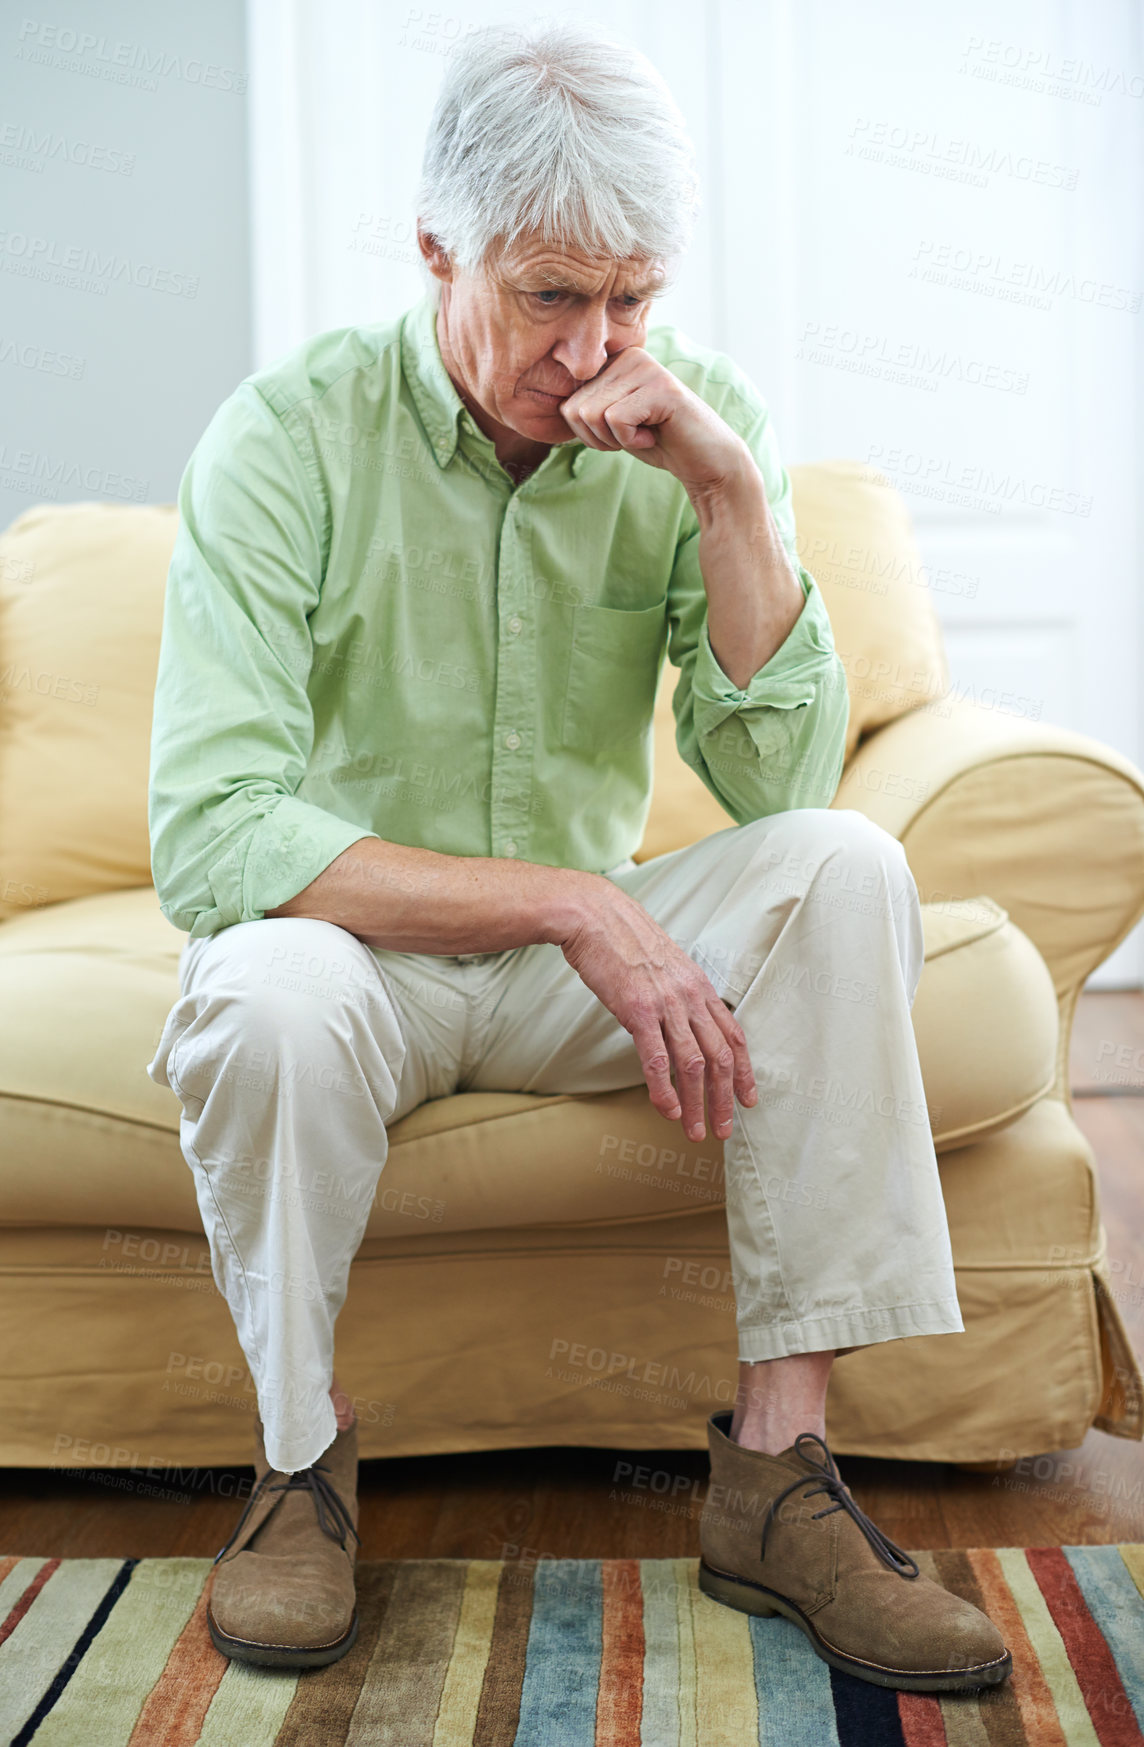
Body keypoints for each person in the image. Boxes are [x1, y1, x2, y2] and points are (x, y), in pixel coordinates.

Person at [146, 19, 1011, 1691]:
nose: (594, 346)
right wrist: (574, 903)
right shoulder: (287, 439)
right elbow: (219, 833)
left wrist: (738, 497)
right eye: (551, 295)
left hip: (569, 989)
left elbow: (782, 783)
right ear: (435, 252)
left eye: (632, 296)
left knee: (845, 869)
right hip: (355, 961)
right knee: (255, 990)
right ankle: (298, 1471)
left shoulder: (694, 430)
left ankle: (778, 1480)